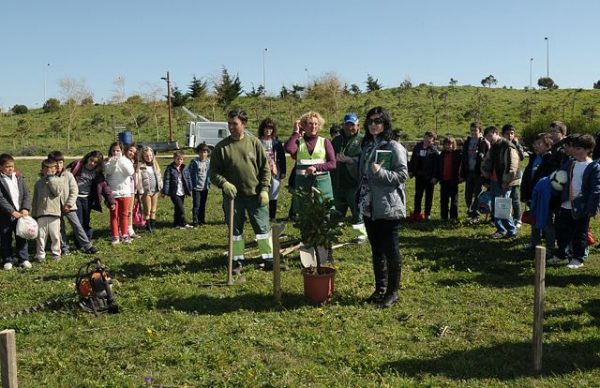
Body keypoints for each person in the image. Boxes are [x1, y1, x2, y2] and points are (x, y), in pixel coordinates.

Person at [210, 109, 273, 273]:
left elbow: (265, 169)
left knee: (263, 229)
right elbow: (213, 173)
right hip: (233, 199)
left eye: (234, 124)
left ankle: (269, 259)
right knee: (236, 231)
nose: (231, 127)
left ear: (243, 124)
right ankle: (237, 262)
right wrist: (223, 183)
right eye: (229, 123)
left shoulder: (254, 143)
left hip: (255, 196)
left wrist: (264, 189)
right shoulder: (221, 148)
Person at [357, 107, 408, 308]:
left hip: (387, 206)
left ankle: (393, 292)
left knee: (391, 250)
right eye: (370, 121)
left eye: (378, 121)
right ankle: (380, 289)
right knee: (377, 249)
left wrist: (380, 173)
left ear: (385, 123)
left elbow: (402, 176)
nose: (373, 125)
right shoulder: (368, 146)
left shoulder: (393, 146)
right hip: (369, 206)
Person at [549, 134, 600, 269]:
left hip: (581, 206)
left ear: (588, 149)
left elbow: (596, 189)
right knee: (562, 229)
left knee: (579, 233)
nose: (575, 151)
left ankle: (578, 258)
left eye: (579, 149)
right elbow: (561, 175)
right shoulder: (571, 162)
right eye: (575, 148)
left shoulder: (593, 167)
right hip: (567, 203)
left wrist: (591, 207)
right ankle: (561, 253)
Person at [48, 151, 99, 255]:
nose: (58, 165)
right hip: (55, 207)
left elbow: (74, 190)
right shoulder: (48, 177)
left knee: (77, 225)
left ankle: (87, 245)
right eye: (56, 163)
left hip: (69, 206)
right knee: (60, 228)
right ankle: (64, 248)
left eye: (61, 162)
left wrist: (69, 204)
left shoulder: (68, 175)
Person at [284, 111, 336, 212]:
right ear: (304, 126)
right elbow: (289, 149)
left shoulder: (325, 142)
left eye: (316, 124)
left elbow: (333, 163)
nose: (313, 126)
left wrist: (316, 167)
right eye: (310, 123)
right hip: (303, 185)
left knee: (325, 214)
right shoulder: (298, 142)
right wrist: (296, 132)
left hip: (322, 185)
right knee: (304, 215)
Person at [331, 112, 367, 243]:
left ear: (358, 125)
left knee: (357, 211)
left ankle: (361, 235)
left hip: (354, 183)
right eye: (347, 125)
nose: (349, 128)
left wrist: (351, 160)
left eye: (352, 125)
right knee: (336, 211)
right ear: (343, 125)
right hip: (338, 182)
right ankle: (334, 234)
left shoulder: (363, 141)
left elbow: (365, 160)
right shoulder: (336, 140)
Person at [521, 133, 558, 255]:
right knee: (534, 221)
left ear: (548, 146)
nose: (535, 146)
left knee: (547, 223)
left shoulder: (551, 160)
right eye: (534, 144)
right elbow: (527, 176)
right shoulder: (533, 158)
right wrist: (526, 193)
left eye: (539, 144)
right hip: (533, 195)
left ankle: (550, 247)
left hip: (544, 197)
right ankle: (534, 243)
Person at [481, 126, 521, 239]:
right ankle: (500, 229)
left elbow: (512, 166)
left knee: (502, 207)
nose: (489, 139)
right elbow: (487, 160)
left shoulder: (507, 146)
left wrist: (506, 181)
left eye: (490, 135)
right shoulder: (494, 146)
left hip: (504, 182)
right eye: (487, 137)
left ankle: (511, 230)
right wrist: (485, 172)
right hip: (494, 180)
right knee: (495, 206)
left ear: (495, 133)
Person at [66, 150, 115, 240]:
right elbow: (64, 174)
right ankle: (79, 242)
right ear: (88, 157)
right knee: (78, 221)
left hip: (87, 199)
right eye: (91, 160)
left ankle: (87, 239)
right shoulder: (77, 166)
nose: (92, 163)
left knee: (86, 220)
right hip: (75, 198)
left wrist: (111, 200)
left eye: (95, 162)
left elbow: (104, 186)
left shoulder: (97, 173)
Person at [0, 154, 31, 270]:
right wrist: (11, 211)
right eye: (7, 166)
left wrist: (25, 208)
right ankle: (7, 259)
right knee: (5, 237)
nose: (10, 169)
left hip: (20, 214)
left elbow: (26, 194)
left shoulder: (18, 177)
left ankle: (23, 258)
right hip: (5, 215)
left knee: (21, 236)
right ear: (1, 167)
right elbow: (1, 199)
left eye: (12, 166)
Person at [31, 159, 62, 262]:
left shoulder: (58, 180)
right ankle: (40, 254)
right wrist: (34, 214)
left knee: (55, 235)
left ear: (55, 170)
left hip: (54, 213)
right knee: (40, 236)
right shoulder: (38, 183)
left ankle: (56, 253)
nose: (49, 171)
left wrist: (51, 179)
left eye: (52, 169)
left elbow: (57, 192)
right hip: (41, 214)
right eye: (46, 169)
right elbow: (35, 199)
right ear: (42, 170)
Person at [105, 142, 135, 245]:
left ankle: (125, 235)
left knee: (124, 214)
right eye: (113, 150)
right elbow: (108, 171)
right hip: (113, 193)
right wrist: (114, 162)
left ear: (122, 151)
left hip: (125, 192)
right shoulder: (108, 162)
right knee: (114, 215)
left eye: (118, 150)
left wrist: (121, 161)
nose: (115, 152)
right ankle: (115, 236)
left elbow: (129, 172)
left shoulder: (126, 161)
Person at [460, 122, 490, 222]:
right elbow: (463, 157)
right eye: (472, 130)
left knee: (477, 194)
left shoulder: (483, 143)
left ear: (480, 131)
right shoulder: (467, 142)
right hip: (469, 172)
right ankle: (470, 212)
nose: (473, 132)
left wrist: (484, 172)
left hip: (479, 173)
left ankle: (476, 215)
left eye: (475, 131)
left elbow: (487, 158)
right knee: (468, 194)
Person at [258, 118, 286, 222]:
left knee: (273, 194)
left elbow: (282, 157)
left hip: (275, 171)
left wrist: (283, 171)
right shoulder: (258, 141)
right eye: (266, 128)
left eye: (270, 128)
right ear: (263, 129)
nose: (268, 130)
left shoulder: (277, 143)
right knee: (262, 192)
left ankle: (272, 217)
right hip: (262, 171)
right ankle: (262, 216)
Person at [408, 131, 439, 221]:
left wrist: (435, 177)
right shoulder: (417, 148)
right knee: (418, 195)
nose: (427, 141)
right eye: (426, 138)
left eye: (429, 140)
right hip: (419, 176)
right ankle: (417, 213)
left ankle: (427, 214)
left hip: (429, 178)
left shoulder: (434, 151)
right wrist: (411, 171)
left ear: (433, 141)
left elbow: (436, 166)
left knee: (429, 196)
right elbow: (413, 159)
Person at [501, 124, 525, 228]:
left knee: (515, 198)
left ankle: (518, 218)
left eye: (512, 133)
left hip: (515, 177)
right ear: (503, 135)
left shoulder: (516, 144)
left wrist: (517, 144)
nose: (510, 135)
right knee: (504, 198)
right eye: (507, 133)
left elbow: (522, 156)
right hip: (504, 175)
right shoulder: (501, 145)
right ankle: (505, 218)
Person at [162, 150, 193, 229]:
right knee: (180, 207)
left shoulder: (185, 168)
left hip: (182, 191)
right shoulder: (170, 168)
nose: (179, 161)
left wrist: (189, 188)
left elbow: (188, 178)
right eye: (178, 159)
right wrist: (165, 192)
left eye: (181, 159)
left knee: (177, 208)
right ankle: (184, 223)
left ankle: (176, 224)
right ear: (174, 159)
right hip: (174, 192)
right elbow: (167, 180)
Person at [436, 136, 462, 220]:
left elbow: (460, 166)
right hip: (444, 180)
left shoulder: (457, 154)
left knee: (454, 200)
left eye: (450, 144)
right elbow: (439, 166)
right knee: (444, 200)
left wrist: (460, 177)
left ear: (453, 145)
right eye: (446, 144)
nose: (448, 146)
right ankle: (444, 216)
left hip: (453, 180)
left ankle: (453, 217)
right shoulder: (442, 155)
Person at [137, 146, 162, 232]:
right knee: (147, 210)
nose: (149, 157)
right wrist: (141, 191)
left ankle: (153, 226)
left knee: (153, 210)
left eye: (150, 155)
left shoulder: (155, 165)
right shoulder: (141, 166)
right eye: (147, 156)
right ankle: (147, 226)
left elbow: (159, 177)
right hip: (146, 192)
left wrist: (160, 188)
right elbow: (139, 179)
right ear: (143, 156)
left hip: (155, 191)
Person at [187, 143, 210, 226]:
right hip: (196, 188)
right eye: (201, 152)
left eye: (205, 152)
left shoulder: (208, 162)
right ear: (198, 153)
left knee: (203, 205)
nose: (203, 154)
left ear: (207, 153)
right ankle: (195, 221)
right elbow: (188, 172)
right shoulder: (194, 162)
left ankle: (202, 220)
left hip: (205, 187)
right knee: (196, 205)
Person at [124, 144, 141, 239]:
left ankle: (130, 229)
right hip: (123, 188)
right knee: (123, 210)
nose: (132, 153)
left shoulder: (134, 162)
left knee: (130, 209)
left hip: (131, 188)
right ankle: (121, 229)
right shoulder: (123, 160)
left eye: (134, 152)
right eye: (130, 150)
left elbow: (135, 176)